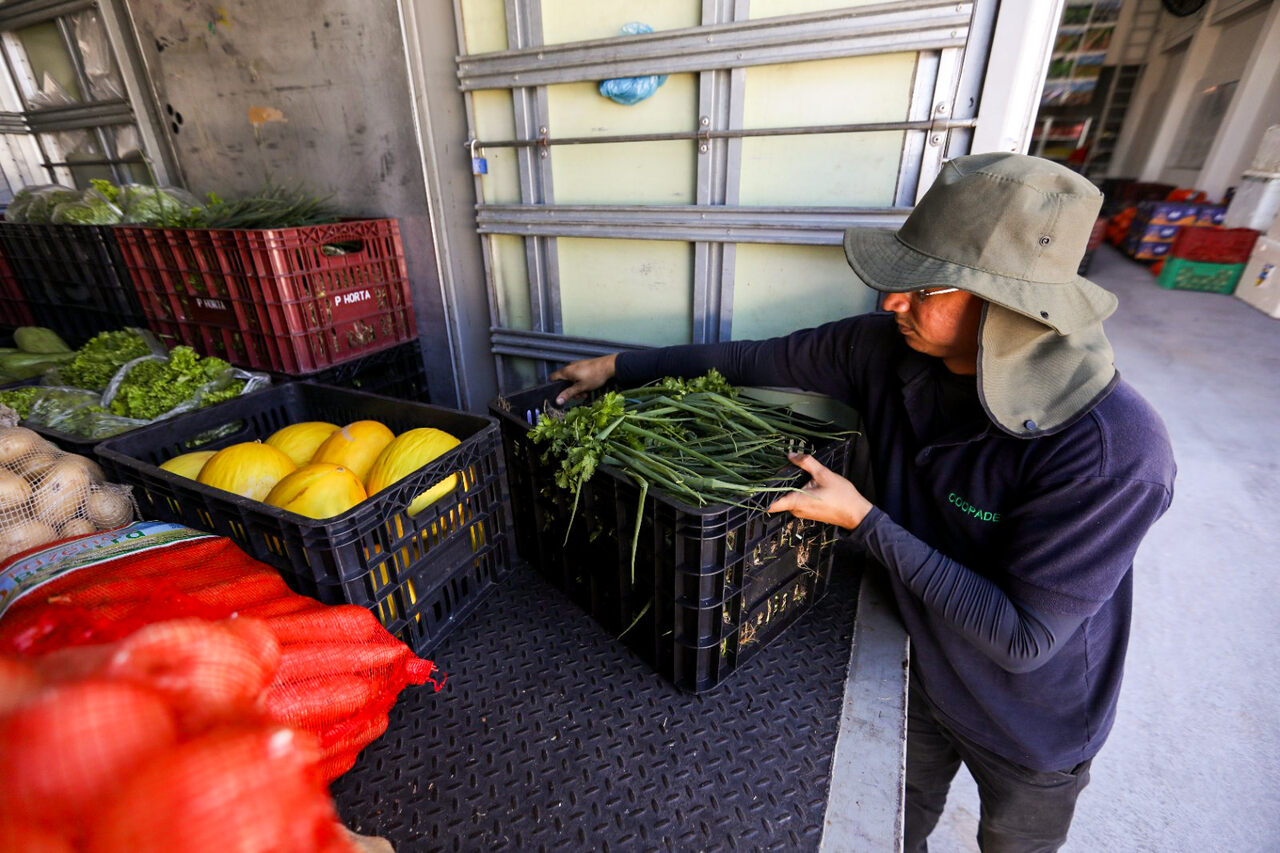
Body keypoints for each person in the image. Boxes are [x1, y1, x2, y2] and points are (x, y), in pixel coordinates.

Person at [550, 152, 1176, 852]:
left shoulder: (1112, 450)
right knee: (891, 823)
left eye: (923, 289)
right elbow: (759, 359)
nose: (890, 301)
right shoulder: (884, 349)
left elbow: (1023, 636)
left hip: (1030, 724)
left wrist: (864, 521)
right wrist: (620, 367)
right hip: (919, 670)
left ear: (1006, 308)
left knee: (1015, 841)